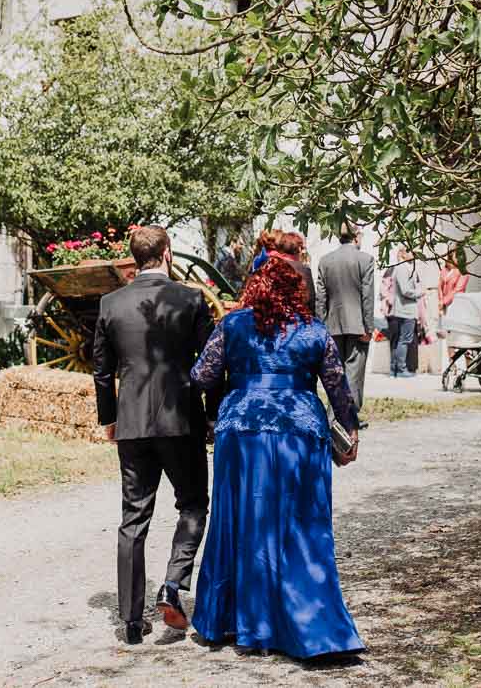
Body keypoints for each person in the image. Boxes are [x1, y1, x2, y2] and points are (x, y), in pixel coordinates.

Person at [189, 256, 365, 659]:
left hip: (242, 431)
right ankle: (312, 627)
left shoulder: (232, 326)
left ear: (255, 287)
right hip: (299, 432)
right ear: (296, 291)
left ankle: (231, 621)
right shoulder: (313, 331)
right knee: (301, 526)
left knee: (240, 521)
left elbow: (202, 376)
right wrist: (350, 430)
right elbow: (339, 387)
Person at [92, 225, 217, 645]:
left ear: (134, 257)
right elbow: (211, 364)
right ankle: (173, 582)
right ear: (167, 253)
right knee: (194, 504)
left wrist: (108, 417)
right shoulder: (191, 299)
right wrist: (213, 413)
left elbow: (101, 369)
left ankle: (130, 621)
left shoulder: (110, 303)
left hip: (131, 424)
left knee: (133, 517)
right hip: (181, 419)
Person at [315, 225, 375, 420]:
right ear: (356, 236)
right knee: (354, 374)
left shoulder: (325, 261)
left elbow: (320, 299)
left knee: (336, 373)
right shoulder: (365, 260)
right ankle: (347, 418)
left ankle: (335, 417)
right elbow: (367, 297)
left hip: (332, 326)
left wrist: (321, 326)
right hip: (358, 325)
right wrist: (368, 326)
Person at [387, 247, 422, 378]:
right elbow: (406, 290)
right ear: (403, 253)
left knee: (400, 340)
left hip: (404, 309)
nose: (413, 253)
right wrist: (420, 292)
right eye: (410, 251)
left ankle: (395, 369)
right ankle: (400, 369)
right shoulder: (402, 268)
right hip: (405, 310)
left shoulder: (407, 267)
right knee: (404, 340)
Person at [273, 230, 317, 313]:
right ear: (298, 249)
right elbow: (311, 299)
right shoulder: (304, 270)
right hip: (300, 316)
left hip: (278, 317)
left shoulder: (273, 266)